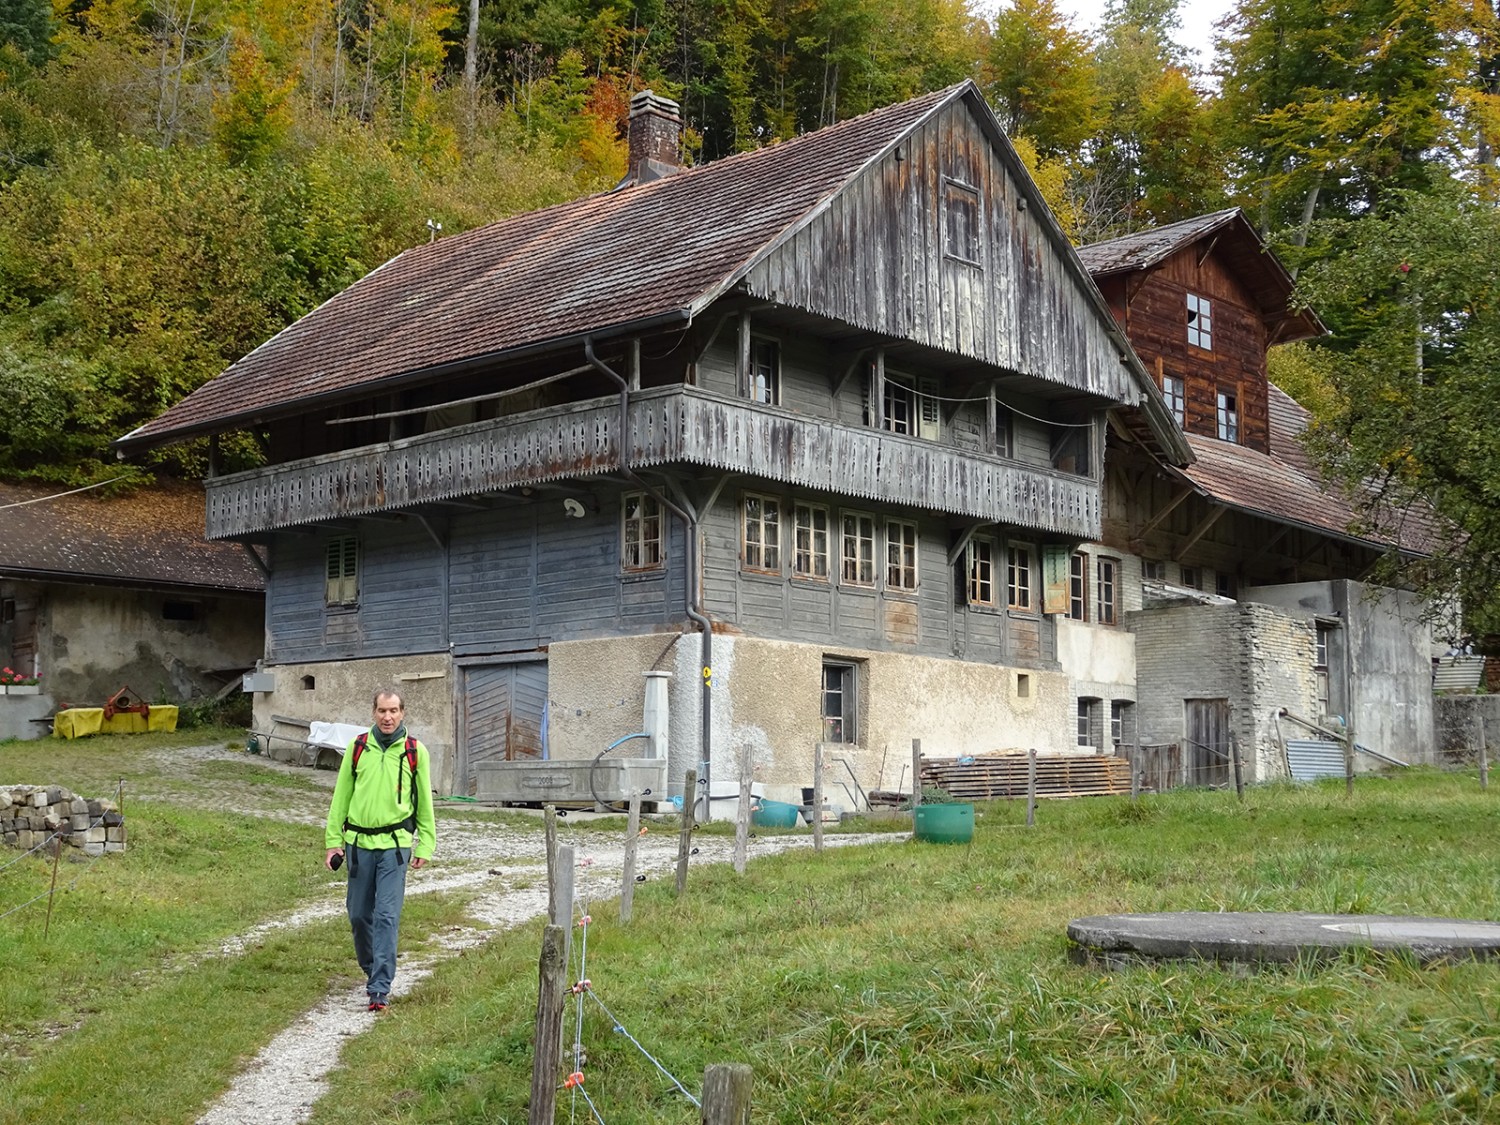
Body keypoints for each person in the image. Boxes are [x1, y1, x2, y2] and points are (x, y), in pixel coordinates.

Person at [324, 689, 436, 1011]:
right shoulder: (358, 748)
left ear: (403, 713)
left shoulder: (415, 751)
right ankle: (371, 967)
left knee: (387, 916)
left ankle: (379, 988)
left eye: (394, 711)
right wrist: (333, 840)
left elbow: (424, 802)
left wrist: (426, 842)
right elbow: (341, 796)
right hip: (358, 845)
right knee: (359, 915)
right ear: (373, 712)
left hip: (396, 846)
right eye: (382, 711)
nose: (388, 717)